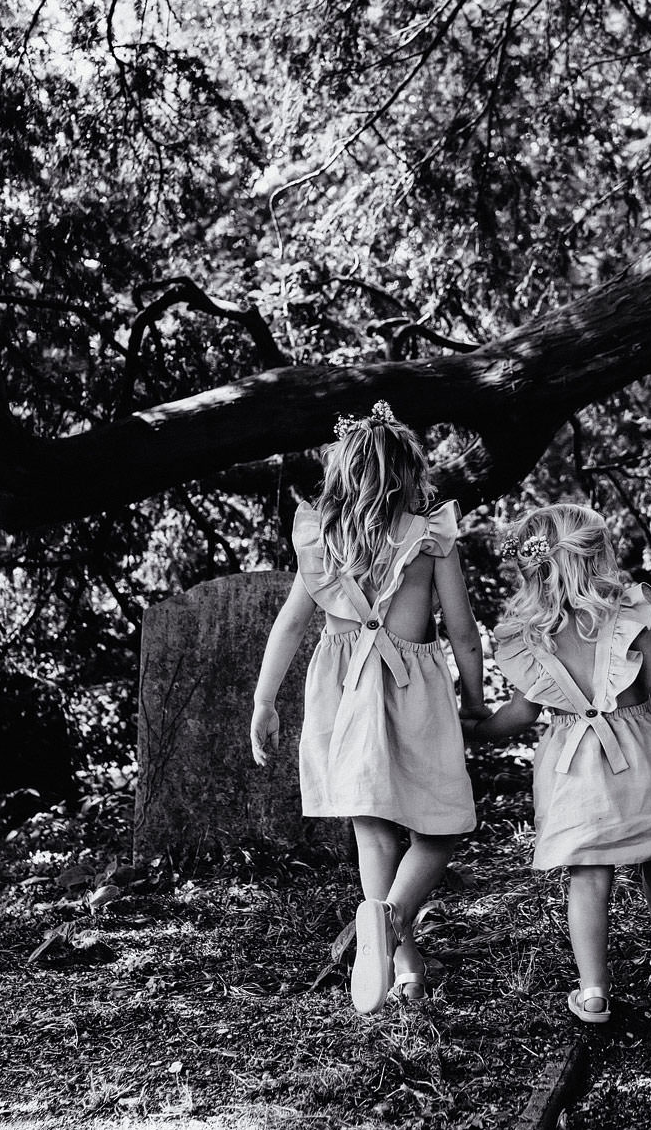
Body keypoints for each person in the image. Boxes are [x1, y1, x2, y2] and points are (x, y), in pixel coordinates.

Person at [250, 401, 489, 1015]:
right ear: (409, 476)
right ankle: (394, 934)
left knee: (374, 831)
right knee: (443, 825)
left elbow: (289, 626)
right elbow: (462, 629)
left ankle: (395, 956)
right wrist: (475, 694)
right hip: (414, 690)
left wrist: (265, 699)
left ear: (343, 475)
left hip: (346, 695)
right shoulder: (432, 538)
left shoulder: (322, 541)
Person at [464, 504, 651, 1024]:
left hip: (572, 770)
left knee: (588, 874)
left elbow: (521, 714)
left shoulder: (531, 635)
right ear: (596, 558)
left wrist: (475, 731)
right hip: (641, 756)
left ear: (534, 568)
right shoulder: (625, 615)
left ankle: (593, 990)